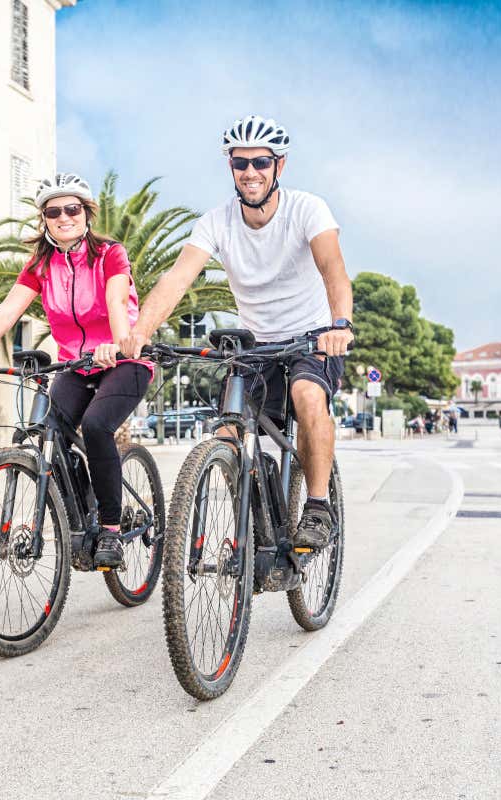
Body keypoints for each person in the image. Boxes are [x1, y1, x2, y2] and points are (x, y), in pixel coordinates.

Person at [120, 116, 353, 549]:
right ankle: (254, 513)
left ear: (278, 166)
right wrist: (139, 332)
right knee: (225, 432)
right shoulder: (217, 222)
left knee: (306, 395)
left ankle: (318, 505)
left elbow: (333, 271)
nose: (250, 172)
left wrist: (339, 325)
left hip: (312, 337)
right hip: (257, 346)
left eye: (260, 162)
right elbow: (175, 280)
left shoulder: (308, 209)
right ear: (230, 166)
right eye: (240, 162)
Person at [0, 173, 151, 569]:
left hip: (122, 361)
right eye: (53, 211)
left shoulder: (110, 253)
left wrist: (119, 340)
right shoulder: (41, 264)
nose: (64, 217)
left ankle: (110, 528)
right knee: (47, 429)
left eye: (72, 208)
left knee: (95, 426)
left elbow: (115, 298)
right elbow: (8, 310)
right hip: (75, 364)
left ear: (86, 213)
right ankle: (83, 514)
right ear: (45, 219)